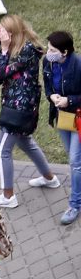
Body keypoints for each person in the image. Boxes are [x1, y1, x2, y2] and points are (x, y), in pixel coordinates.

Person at [0, 15, 59, 209]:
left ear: (11, 33)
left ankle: (8, 196)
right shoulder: (17, 47)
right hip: (18, 105)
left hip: (18, 107)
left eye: (2, 30)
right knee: (25, 142)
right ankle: (50, 178)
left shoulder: (26, 51)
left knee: (2, 149)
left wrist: (3, 48)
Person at [42, 31, 81, 225]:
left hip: (78, 117)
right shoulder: (48, 63)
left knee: (75, 161)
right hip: (62, 117)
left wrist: (70, 100)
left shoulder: (78, 65)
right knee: (74, 158)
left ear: (64, 51)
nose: (48, 52)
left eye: (52, 50)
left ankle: (74, 204)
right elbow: (48, 87)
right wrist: (52, 97)